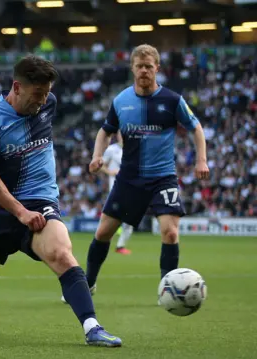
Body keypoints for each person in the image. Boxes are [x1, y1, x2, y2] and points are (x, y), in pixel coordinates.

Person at [0, 55, 122, 347]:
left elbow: (45, 102)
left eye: (46, 93)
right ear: (16, 87)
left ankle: (93, 327)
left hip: (40, 202)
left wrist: (30, 212)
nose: (42, 100)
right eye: (37, 94)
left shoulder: (48, 103)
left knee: (61, 254)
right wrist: (20, 212)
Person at [82, 44, 210, 298]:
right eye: (139, 66)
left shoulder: (172, 100)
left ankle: (168, 290)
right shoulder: (121, 101)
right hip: (129, 179)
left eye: (148, 67)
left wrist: (201, 160)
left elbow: (196, 128)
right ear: (132, 68)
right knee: (103, 232)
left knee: (170, 232)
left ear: (157, 69)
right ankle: (88, 284)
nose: (144, 71)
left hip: (163, 177)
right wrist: (97, 156)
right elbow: (105, 131)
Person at [101, 132, 134, 255]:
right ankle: (101, 242)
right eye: (121, 134)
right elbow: (101, 165)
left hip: (131, 189)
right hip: (115, 189)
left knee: (129, 220)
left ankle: (120, 246)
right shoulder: (111, 149)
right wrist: (110, 172)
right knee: (112, 217)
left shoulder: (134, 149)